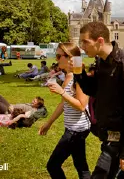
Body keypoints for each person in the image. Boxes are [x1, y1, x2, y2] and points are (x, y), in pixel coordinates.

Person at [75, 21, 124, 179]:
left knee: (101, 174)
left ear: (100, 41)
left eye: (85, 42)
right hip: (109, 132)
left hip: (121, 135)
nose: (82, 47)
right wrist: (79, 74)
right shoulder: (101, 61)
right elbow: (94, 90)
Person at [39, 42, 91, 179]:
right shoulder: (68, 76)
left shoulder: (79, 77)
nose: (56, 59)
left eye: (58, 56)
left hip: (76, 130)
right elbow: (63, 104)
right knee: (81, 166)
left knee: (53, 165)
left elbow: (81, 105)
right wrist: (48, 123)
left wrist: (62, 92)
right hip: (74, 129)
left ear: (69, 58)